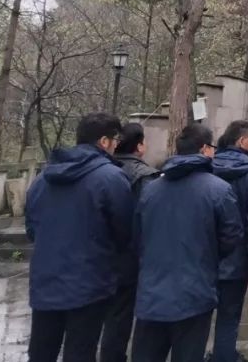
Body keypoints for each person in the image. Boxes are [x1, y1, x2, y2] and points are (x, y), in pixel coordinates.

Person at [26, 113, 134, 362]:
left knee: (41, 353)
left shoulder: (43, 178)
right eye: (115, 140)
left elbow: (32, 229)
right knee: (80, 353)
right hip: (89, 285)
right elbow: (124, 232)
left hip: (45, 282)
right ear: (104, 142)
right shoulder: (111, 177)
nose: (117, 145)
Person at [133, 124, 242, 362]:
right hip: (195, 292)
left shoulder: (150, 190)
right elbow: (231, 237)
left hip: (151, 294)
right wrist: (207, 255)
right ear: (204, 149)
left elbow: (138, 236)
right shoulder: (219, 190)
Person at [101, 122, 160, 362]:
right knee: (123, 317)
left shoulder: (102, 170)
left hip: (101, 254)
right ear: (139, 146)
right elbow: (151, 218)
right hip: (131, 257)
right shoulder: (145, 177)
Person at [211, 119, 248, 362]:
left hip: (201, 256)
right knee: (229, 315)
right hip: (235, 259)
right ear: (241, 140)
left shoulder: (207, 166)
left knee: (199, 317)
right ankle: (224, 356)